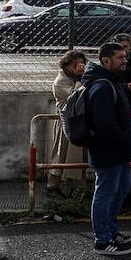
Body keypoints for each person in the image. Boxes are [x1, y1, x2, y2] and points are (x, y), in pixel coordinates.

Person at [84, 42, 131, 256]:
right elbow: (105, 125)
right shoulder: (102, 86)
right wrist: (124, 138)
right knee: (105, 192)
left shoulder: (110, 82)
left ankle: (111, 232)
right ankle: (102, 240)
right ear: (106, 61)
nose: (125, 60)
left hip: (118, 150)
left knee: (123, 187)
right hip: (108, 150)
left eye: (125, 56)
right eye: (120, 58)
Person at [48, 50, 87, 196]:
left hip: (77, 121)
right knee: (61, 154)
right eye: (75, 64)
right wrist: (81, 78)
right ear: (67, 65)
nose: (79, 67)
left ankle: (79, 187)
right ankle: (52, 185)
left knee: (77, 155)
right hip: (66, 122)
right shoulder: (61, 81)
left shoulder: (78, 78)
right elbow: (75, 96)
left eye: (81, 63)